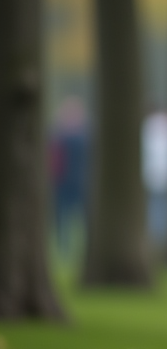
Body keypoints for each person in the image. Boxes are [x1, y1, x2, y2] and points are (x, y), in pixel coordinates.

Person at [49, 96, 90, 256]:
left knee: (69, 216)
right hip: (66, 182)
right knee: (63, 216)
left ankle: (68, 246)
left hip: (72, 182)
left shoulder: (57, 136)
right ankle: (65, 246)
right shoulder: (85, 136)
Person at [141, 107, 167, 246]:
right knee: (162, 206)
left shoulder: (148, 126)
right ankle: (160, 235)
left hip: (152, 174)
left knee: (155, 206)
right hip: (165, 175)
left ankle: (156, 235)